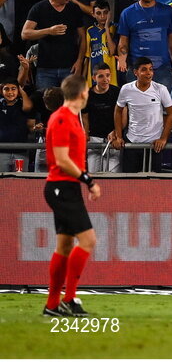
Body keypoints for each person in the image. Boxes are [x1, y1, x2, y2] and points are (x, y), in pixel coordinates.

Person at [41, 76, 98, 317]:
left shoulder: (70, 117)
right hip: (61, 187)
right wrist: (89, 180)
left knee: (64, 246)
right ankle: (69, 298)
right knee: (88, 241)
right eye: (87, 90)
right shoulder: (63, 117)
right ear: (82, 93)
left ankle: (53, 305)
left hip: (66, 187)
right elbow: (62, 159)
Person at [23, 0, 87, 89]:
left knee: (70, 105)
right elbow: (25, 34)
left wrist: (79, 61)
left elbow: (83, 37)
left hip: (70, 67)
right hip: (45, 69)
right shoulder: (39, 8)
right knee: (46, 103)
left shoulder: (74, 9)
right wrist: (49, 31)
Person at [112, 58, 172, 173]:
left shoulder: (161, 89)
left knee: (153, 184)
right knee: (130, 183)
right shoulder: (126, 89)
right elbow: (118, 111)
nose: (149, 73)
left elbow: (171, 114)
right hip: (132, 143)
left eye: (151, 69)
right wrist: (119, 136)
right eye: (144, 70)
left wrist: (163, 138)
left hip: (154, 146)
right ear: (135, 72)